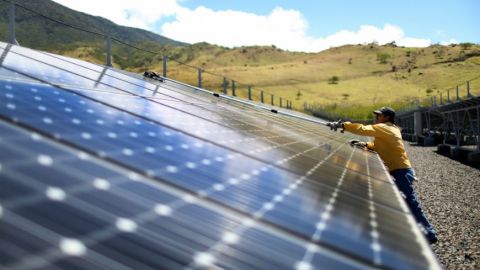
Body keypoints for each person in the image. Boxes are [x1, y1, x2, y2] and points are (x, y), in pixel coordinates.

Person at [327, 106, 438, 244]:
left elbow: (362, 129)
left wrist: (343, 125)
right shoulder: (390, 129)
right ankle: (415, 232)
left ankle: (428, 234)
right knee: (404, 202)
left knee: (409, 203)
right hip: (401, 171)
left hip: (401, 172)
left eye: (379, 115)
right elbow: (379, 146)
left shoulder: (385, 128)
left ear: (387, 117)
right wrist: (364, 144)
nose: (376, 117)